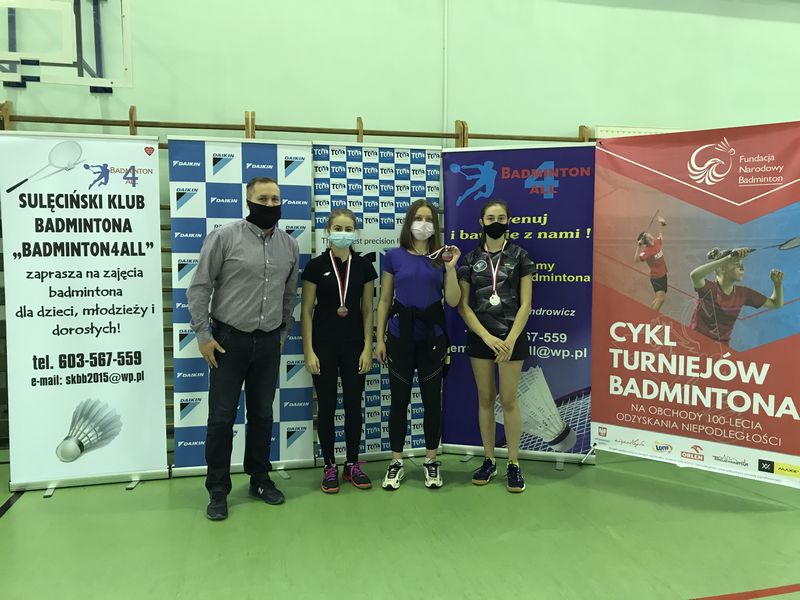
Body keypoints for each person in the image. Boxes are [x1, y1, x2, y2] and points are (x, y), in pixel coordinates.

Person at [187, 176, 299, 521]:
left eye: (275, 199)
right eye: (263, 199)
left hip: (268, 342)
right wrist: (203, 335)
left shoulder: (289, 246)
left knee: (262, 415)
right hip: (227, 342)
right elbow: (200, 287)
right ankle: (218, 489)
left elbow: (289, 295)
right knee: (221, 418)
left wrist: (282, 334)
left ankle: (260, 479)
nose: (270, 205)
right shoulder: (224, 237)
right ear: (249, 202)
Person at [375, 199, 461, 490]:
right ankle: (396, 462)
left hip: (432, 340)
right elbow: (384, 300)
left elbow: (453, 301)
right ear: (409, 222)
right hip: (400, 338)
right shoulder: (393, 256)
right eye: (418, 217)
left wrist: (451, 268)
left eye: (429, 219)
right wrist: (379, 339)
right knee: (399, 402)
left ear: (435, 226)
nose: (423, 223)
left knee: (432, 402)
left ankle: (431, 461)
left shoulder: (442, 257)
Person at [457, 200, 534, 493]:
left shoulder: (521, 256)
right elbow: (463, 306)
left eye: (501, 218)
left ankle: (513, 463)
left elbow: (526, 304)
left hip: (513, 337)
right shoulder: (469, 259)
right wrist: (487, 338)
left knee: (509, 400)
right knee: (486, 398)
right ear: (481, 222)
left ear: (508, 221)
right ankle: (489, 459)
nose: (496, 222)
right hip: (481, 337)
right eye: (490, 218)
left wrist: (510, 340)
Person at [301, 209, 377, 493]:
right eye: (337, 228)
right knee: (327, 406)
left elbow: (367, 309)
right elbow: (306, 311)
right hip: (323, 345)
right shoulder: (315, 266)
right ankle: (330, 465)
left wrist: (368, 347)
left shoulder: (365, 266)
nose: (342, 233)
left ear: (355, 233)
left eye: (348, 229)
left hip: (355, 345)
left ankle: (352, 464)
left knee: (354, 406)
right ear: (327, 231)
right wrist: (308, 351)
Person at [689, 247, 784, 345]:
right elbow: (695, 275)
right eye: (736, 264)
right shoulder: (709, 288)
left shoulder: (743, 293)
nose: (742, 268)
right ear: (721, 268)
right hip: (695, 343)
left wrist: (777, 284)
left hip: (721, 347)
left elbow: (776, 303)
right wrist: (729, 258)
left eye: (742, 264)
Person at [635, 216, 668, 312]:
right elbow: (636, 260)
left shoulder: (656, 242)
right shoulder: (647, 251)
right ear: (647, 239)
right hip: (656, 277)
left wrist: (661, 225)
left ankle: (649, 315)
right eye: (648, 235)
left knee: (659, 299)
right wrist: (638, 246)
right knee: (660, 299)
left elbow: (660, 236)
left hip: (663, 274)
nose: (650, 235)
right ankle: (650, 317)